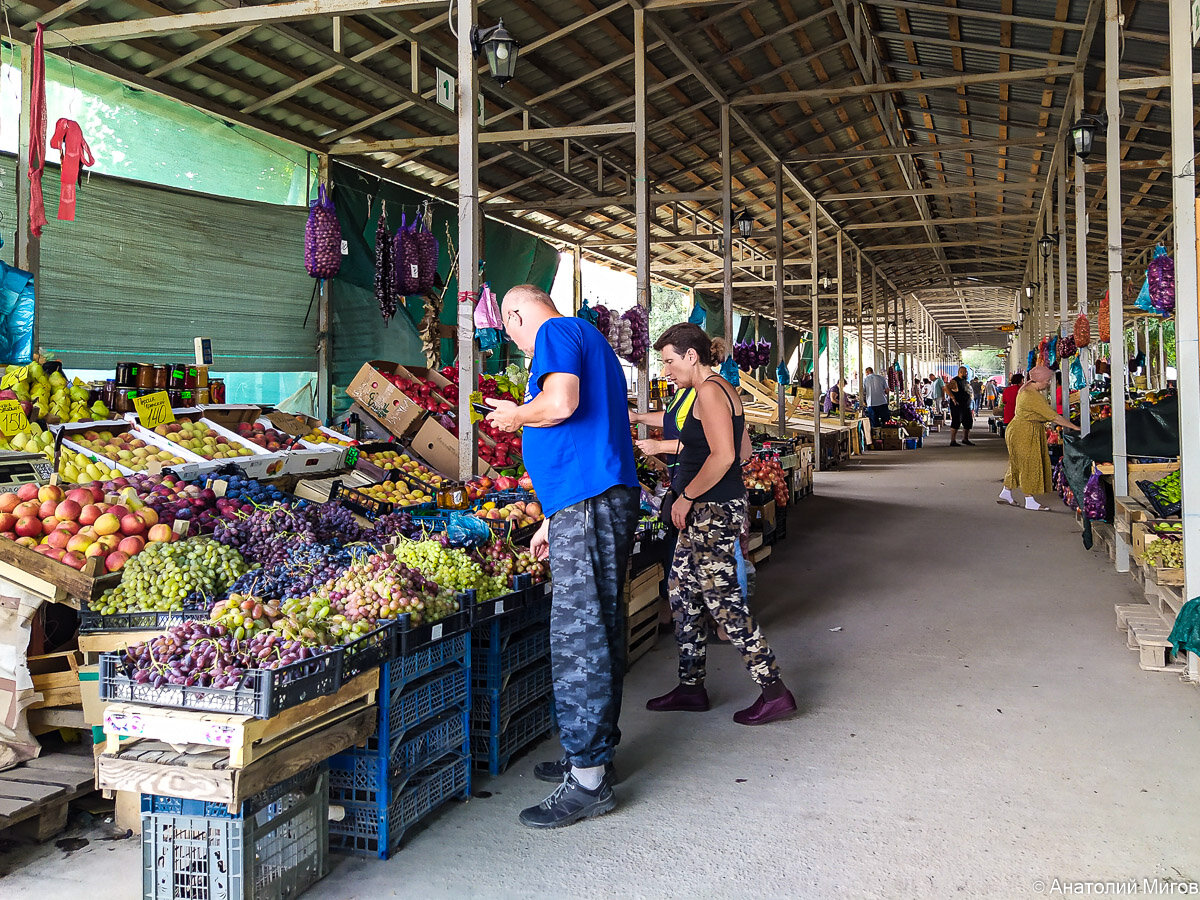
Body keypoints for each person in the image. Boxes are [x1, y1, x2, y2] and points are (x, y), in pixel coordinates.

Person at [486, 285, 640, 829]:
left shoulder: (555, 332)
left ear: (519, 313)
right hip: (588, 499)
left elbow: (561, 405)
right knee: (598, 627)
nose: (516, 340)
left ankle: (589, 781)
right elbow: (589, 432)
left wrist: (515, 414)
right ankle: (594, 758)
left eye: (511, 329)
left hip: (591, 501)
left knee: (580, 636)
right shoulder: (584, 336)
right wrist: (554, 517)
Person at [645, 322, 796, 726]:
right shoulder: (714, 391)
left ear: (691, 356)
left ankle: (774, 690)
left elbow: (726, 456)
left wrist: (688, 495)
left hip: (710, 510)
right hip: (705, 508)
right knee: (682, 590)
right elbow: (742, 448)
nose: (666, 370)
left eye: (670, 361)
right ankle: (691, 686)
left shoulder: (710, 392)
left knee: (723, 601)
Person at [998, 364, 1081, 510]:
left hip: (1019, 429)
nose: (1048, 383)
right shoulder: (1032, 395)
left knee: (1017, 462)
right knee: (1029, 464)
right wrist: (1075, 427)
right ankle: (1029, 500)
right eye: (1047, 380)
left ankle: (1006, 491)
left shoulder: (1027, 390)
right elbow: (1053, 417)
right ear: (1039, 380)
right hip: (1024, 431)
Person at [947, 366, 975, 446]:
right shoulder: (955, 381)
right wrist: (952, 398)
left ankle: (965, 439)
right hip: (957, 406)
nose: (966, 373)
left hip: (966, 406)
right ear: (960, 372)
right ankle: (953, 441)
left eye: (966, 372)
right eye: (965, 372)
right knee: (956, 422)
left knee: (968, 422)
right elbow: (946, 388)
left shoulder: (965, 381)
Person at [861, 366, 889, 430]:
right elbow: (887, 390)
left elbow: (862, 392)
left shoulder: (865, 380)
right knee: (886, 422)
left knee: (874, 424)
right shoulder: (881, 378)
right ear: (872, 371)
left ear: (867, 372)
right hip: (882, 402)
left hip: (871, 403)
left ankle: (877, 437)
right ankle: (887, 436)